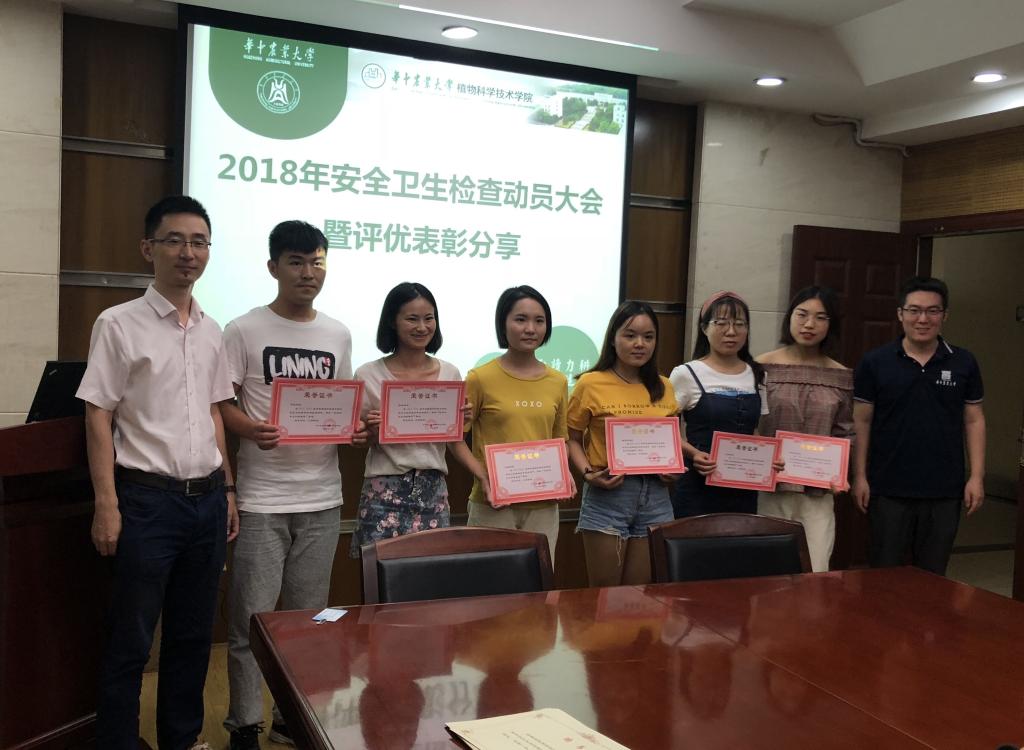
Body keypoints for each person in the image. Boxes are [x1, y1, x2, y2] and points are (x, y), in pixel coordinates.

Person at [77, 195, 237, 750]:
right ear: (149, 249)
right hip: (147, 502)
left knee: (192, 636)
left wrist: (228, 489)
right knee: (132, 639)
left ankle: (181, 740)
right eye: (175, 241)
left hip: (207, 501)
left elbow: (214, 412)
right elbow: (98, 414)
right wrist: (106, 504)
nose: (188, 253)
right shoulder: (118, 323)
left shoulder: (212, 329)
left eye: (199, 242)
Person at [219, 221, 364, 749]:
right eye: (297, 262)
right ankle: (244, 723)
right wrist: (249, 428)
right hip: (262, 498)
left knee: (308, 622)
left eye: (317, 262)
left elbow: (340, 404)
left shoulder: (337, 333)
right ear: (273, 267)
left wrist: (354, 428)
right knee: (251, 621)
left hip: (322, 497)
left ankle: (290, 718)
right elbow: (221, 403)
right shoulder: (243, 329)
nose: (309, 273)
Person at [852, 276, 985, 575]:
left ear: (944, 315)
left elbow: (974, 419)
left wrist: (976, 476)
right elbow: (861, 420)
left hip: (945, 489)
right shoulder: (875, 362)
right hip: (887, 487)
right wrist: (859, 476)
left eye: (932, 311)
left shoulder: (963, 362)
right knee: (885, 573)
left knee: (933, 576)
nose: (922, 319)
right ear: (900, 314)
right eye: (914, 310)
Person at [350, 282, 487, 556]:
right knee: (379, 573)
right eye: (412, 319)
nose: (422, 327)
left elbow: (454, 440)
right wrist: (372, 432)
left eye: (429, 318)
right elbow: (358, 439)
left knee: (430, 574)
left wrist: (482, 471)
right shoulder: (368, 374)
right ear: (392, 321)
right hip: (383, 490)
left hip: (432, 490)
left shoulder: (450, 373)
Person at [567, 301, 678, 586]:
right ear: (613, 339)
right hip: (609, 494)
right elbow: (571, 438)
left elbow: (673, 440)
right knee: (605, 597)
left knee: (638, 597)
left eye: (648, 337)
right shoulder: (590, 383)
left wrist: (673, 469)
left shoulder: (665, 386)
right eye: (630, 335)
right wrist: (587, 474)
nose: (640, 344)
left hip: (656, 496)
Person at [464, 286, 572, 563]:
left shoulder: (558, 381)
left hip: (544, 503)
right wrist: (483, 476)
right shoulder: (480, 377)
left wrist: (565, 472)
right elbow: (455, 438)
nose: (530, 329)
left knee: (538, 580)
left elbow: (560, 439)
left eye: (539, 320)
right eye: (520, 319)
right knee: (491, 583)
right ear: (503, 323)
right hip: (493, 503)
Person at [756, 286, 853, 572]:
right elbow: (750, 423)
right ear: (790, 317)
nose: (809, 324)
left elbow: (845, 431)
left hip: (818, 492)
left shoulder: (840, 374)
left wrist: (841, 472)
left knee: (816, 568)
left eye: (820, 318)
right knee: (767, 570)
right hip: (770, 487)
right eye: (802, 314)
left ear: (831, 325)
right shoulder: (761, 366)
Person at [670, 291, 770, 518]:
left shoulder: (757, 374)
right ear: (704, 328)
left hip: (743, 489)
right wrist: (694, 454)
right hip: (698, 487)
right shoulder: (686, 373)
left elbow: (755, 432)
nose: (731, 331)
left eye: (739, 324)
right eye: (721, 323)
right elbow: (666, 432)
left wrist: (767, 458)